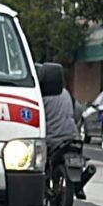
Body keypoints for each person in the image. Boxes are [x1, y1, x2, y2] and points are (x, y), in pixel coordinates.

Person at [36, 62, 86, 197]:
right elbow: (79, 111)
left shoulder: (40, 95)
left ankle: (43, 185)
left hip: (52, 140)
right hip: (73, 137)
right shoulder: (66, 94)